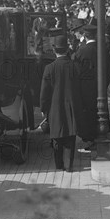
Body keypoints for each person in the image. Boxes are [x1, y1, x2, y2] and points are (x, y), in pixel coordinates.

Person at [40, 35, 81, 172]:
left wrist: (44, 108)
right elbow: (79, 89)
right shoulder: (75, 67)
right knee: (71, 135)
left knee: (57, 137)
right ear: (67, 50)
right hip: (71, 106)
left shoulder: (49, 68)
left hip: (54, 107)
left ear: (54, 50)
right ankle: (69, 165)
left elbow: (45, 92)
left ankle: (59, 164)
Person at [73, 21, 110, 152]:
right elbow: (109, 70)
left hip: (85, 88)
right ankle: (103, 132)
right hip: (99, 87)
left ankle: (90, 138)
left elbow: (76, 72)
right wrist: (104, 85)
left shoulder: (81, 51)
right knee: (100, 111)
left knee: (88, 113)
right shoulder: (103, 50)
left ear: (86, 35)